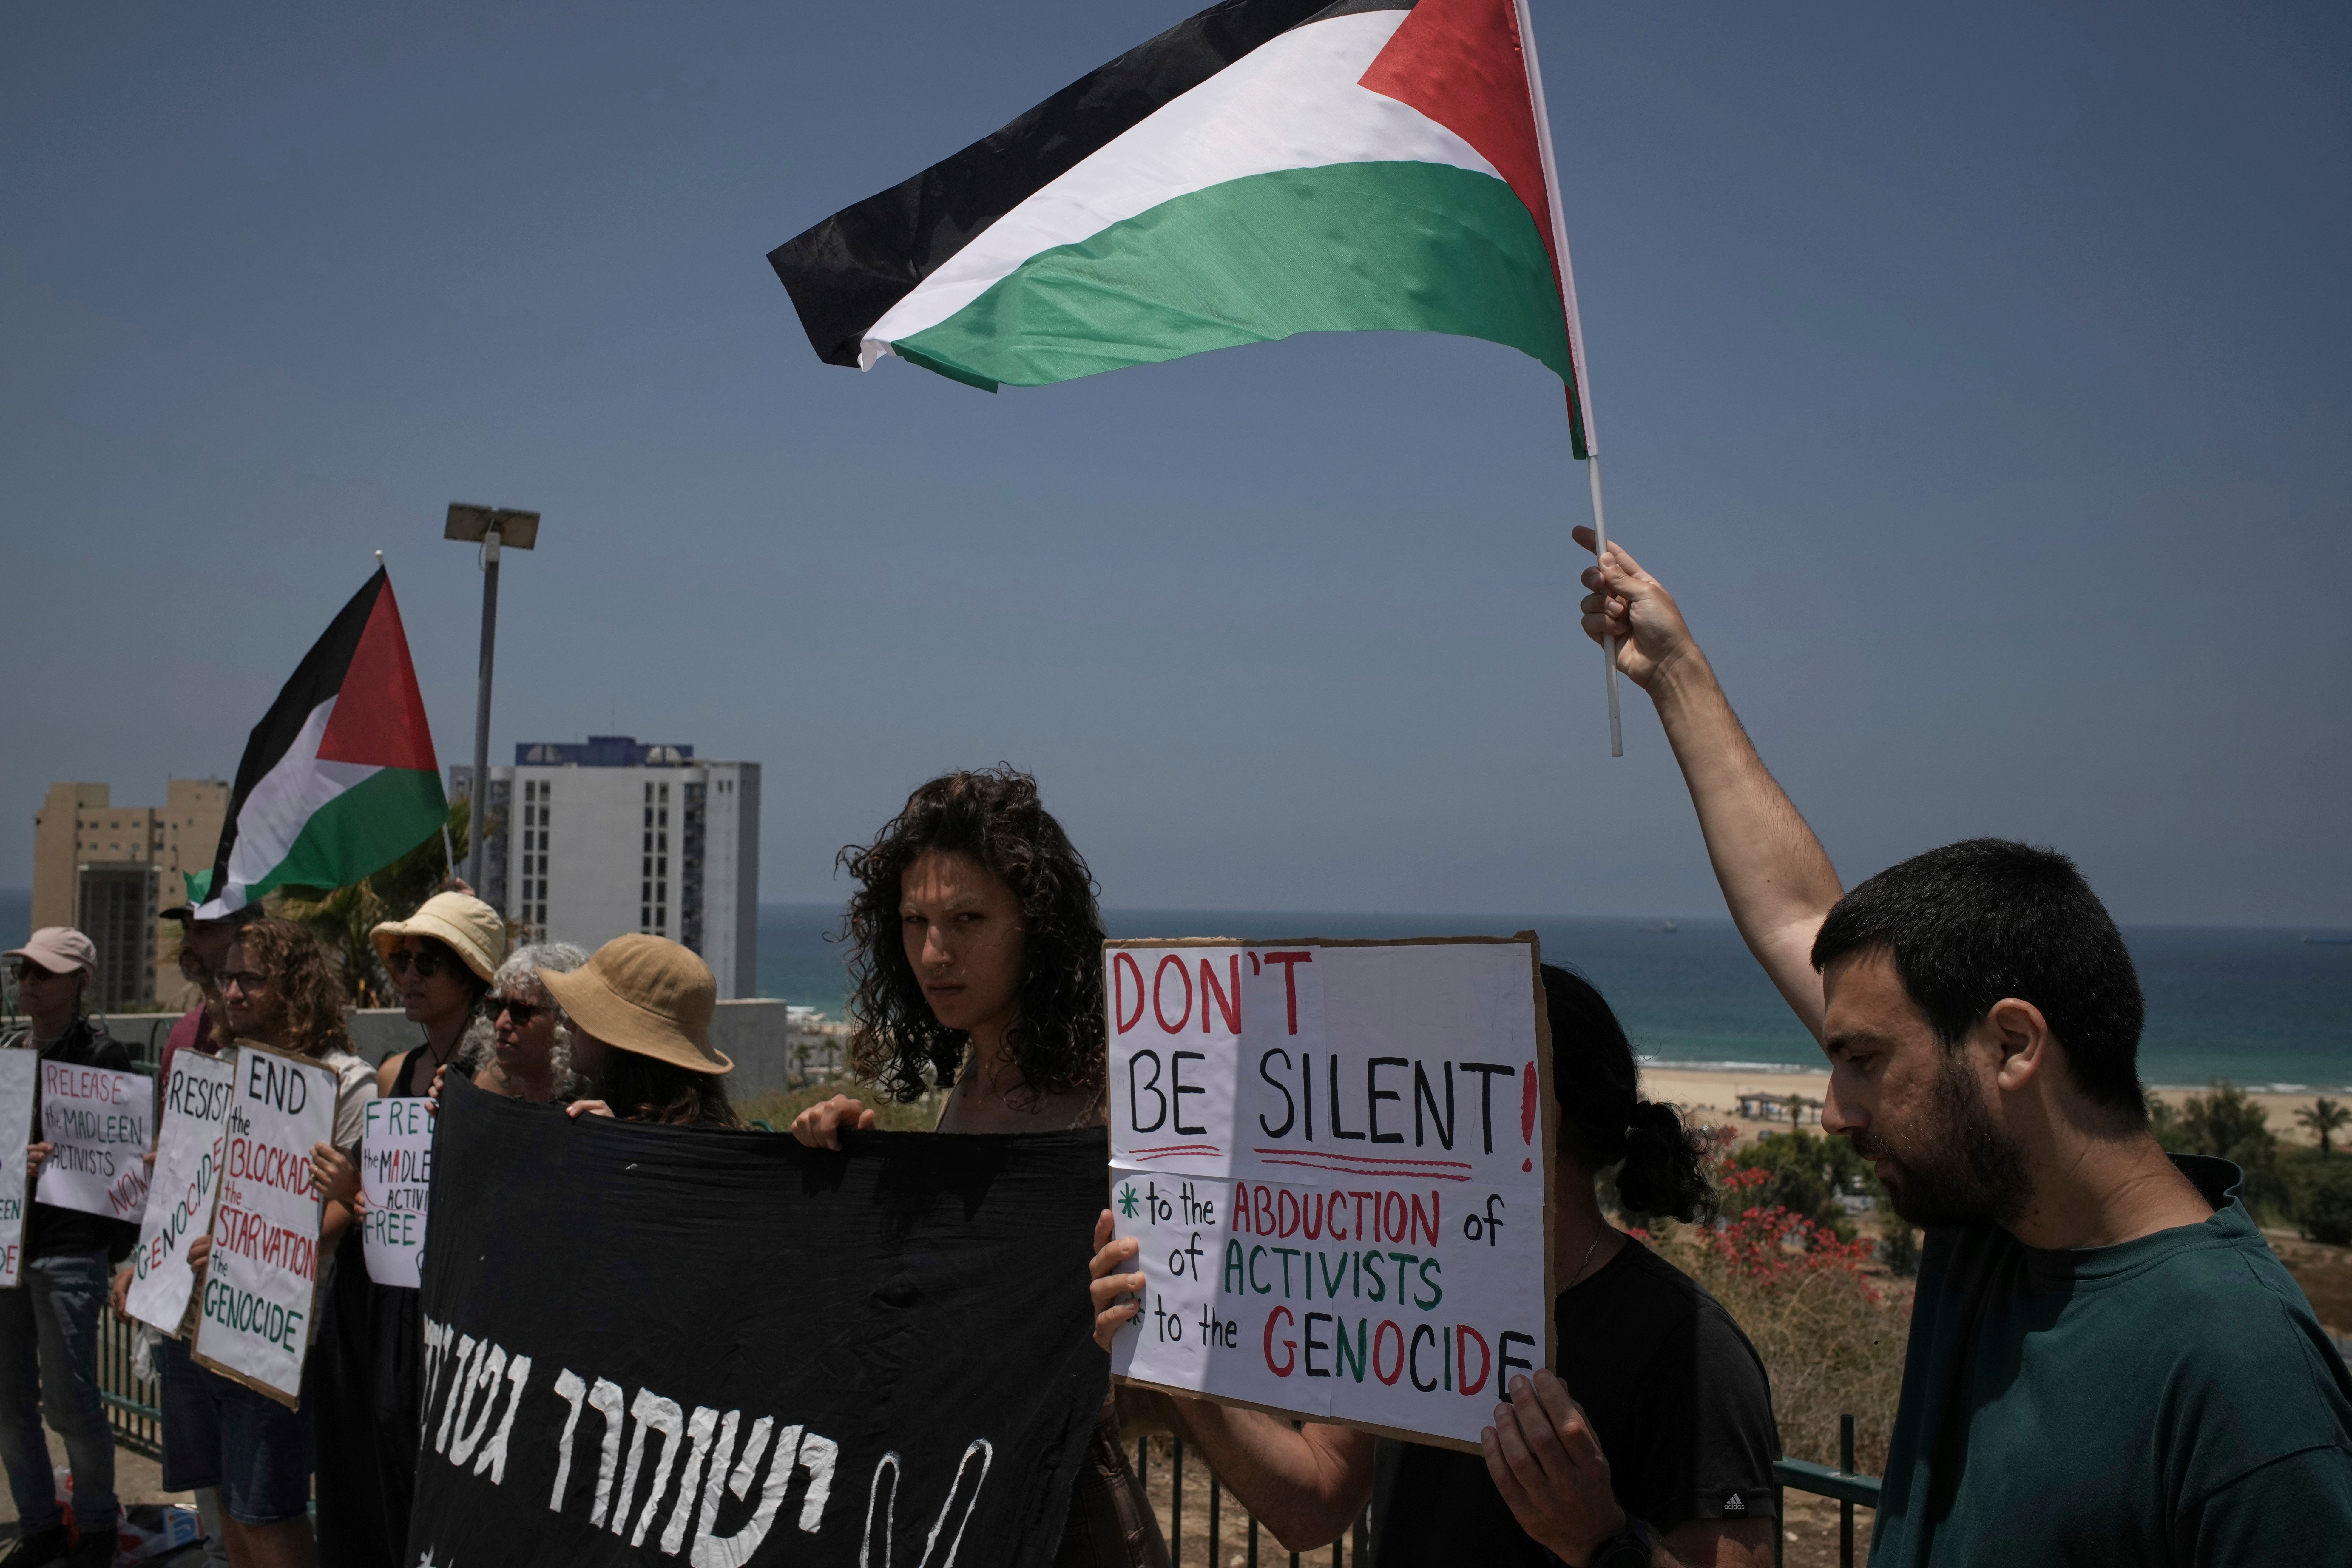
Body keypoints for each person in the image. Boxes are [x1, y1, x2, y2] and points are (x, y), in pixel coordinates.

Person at [1577, 528, 2352, 1561]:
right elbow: (1801, 914)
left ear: (2013, 1045)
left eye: (1865, 1063)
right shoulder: (1996, 1210)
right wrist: (1672, 673)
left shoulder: (2238, 1371)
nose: (1835, 1109)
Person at [1087, 966, 1782, 1568]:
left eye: (1427, 1091)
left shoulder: (1688, 1348)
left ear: (1528, 1111)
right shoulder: (1410, 1291)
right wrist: (1176, 1357)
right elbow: (1314, 1502)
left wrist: (1602, 1541)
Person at [791, 768, 1163, 1568]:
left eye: (967, 919)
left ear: (1035, 923)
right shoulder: (973, 1080)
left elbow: (1154, 1345)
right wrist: (861, 1163)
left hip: (1074, 1519)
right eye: (914, 921)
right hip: (969, 1500)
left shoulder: (1109, 1100)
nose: (934, 953)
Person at [0, 928, 136, 1568]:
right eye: (24, 969)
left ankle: (98, 1527)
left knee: (71, 1403)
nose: (28, 981)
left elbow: (118, 1169)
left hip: (68, 1252)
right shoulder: (8, 1052)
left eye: (43, 973)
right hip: (8, 1251)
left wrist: (121, 1259)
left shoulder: (105, 1060)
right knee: (9, 1403)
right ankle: (40, 1527)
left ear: (80, 982)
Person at [538, 934, 740, 1127]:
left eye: (585, 1015)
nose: (568, 1025)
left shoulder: (687, 1152)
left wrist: (618, 1146)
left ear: (622, 1040)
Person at [370, 891, 506, 1100]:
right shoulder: (390, 1075)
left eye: (427, 963)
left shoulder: (498, 1081)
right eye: (403, 960)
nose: (409, 976)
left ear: (469, 978)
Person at [475, 942, 589, 1104]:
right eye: (497, 1007)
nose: (500, 1024)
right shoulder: (502, 1116)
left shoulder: (592, 1119)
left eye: (521, 1011)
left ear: (565, 1020)